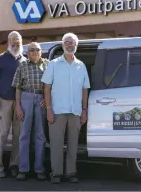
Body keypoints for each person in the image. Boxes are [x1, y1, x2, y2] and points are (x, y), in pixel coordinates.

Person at [41, 33, 90, 184]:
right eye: (67, 42)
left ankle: (70, 173)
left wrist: (84, 110)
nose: (70, 45)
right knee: (56, 144)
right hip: (57, 111)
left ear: (76, 46)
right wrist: (49, 109)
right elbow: (47, 88)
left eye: (73, 43)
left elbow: (84, 89)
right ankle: (56, 173)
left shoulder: (81, 66)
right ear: (63, 45)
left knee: (73, 145)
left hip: (75, 112)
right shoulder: (53, 64)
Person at [0, 31, 26, 178]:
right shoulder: (0, 59)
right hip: (3, 101)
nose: (15, 43)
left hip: (21, 103)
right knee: (2, 135)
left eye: (17, 40)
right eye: (12, 40)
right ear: (8, 42)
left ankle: (14, 166)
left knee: (18, 136)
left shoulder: (25, 60)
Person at [12, 42, 49, 181]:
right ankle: (23, 169)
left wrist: (47, 99)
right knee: (24, 135)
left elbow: (52, 84)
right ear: (27, 53)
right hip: (26, 97)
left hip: (41, 98)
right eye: (31, 50)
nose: (34, 52)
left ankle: (39, 169)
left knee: (40, 135)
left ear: (41, 52)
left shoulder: (48, 64)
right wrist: (18, 106)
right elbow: (17, 87)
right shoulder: (22, 65)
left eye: (37, 49)